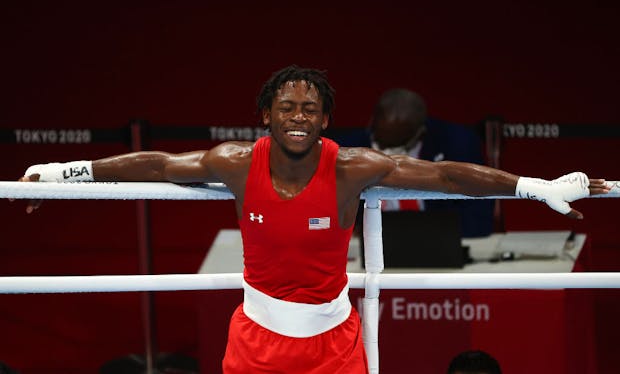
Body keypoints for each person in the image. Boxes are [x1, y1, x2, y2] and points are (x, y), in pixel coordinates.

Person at [15, 65, 609, 373]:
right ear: (265, 115)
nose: (297, 116)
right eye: (286, 107)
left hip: (333, 345)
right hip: (255, 342)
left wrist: (534, 186)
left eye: (310, 108)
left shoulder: (352, 168)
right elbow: (155, 165)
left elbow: (448, 175)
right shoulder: (236, 163)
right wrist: (63, 171)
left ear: (325, 119)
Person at [336, 88, 494, 238]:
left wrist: (431, 235)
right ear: (372, 123)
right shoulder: (347, 149)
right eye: (381, 143)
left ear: (419, 132)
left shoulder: (457, 144)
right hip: (370, 243)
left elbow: (478, 216)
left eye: (398, 146)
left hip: (437, 242)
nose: (388, 152)